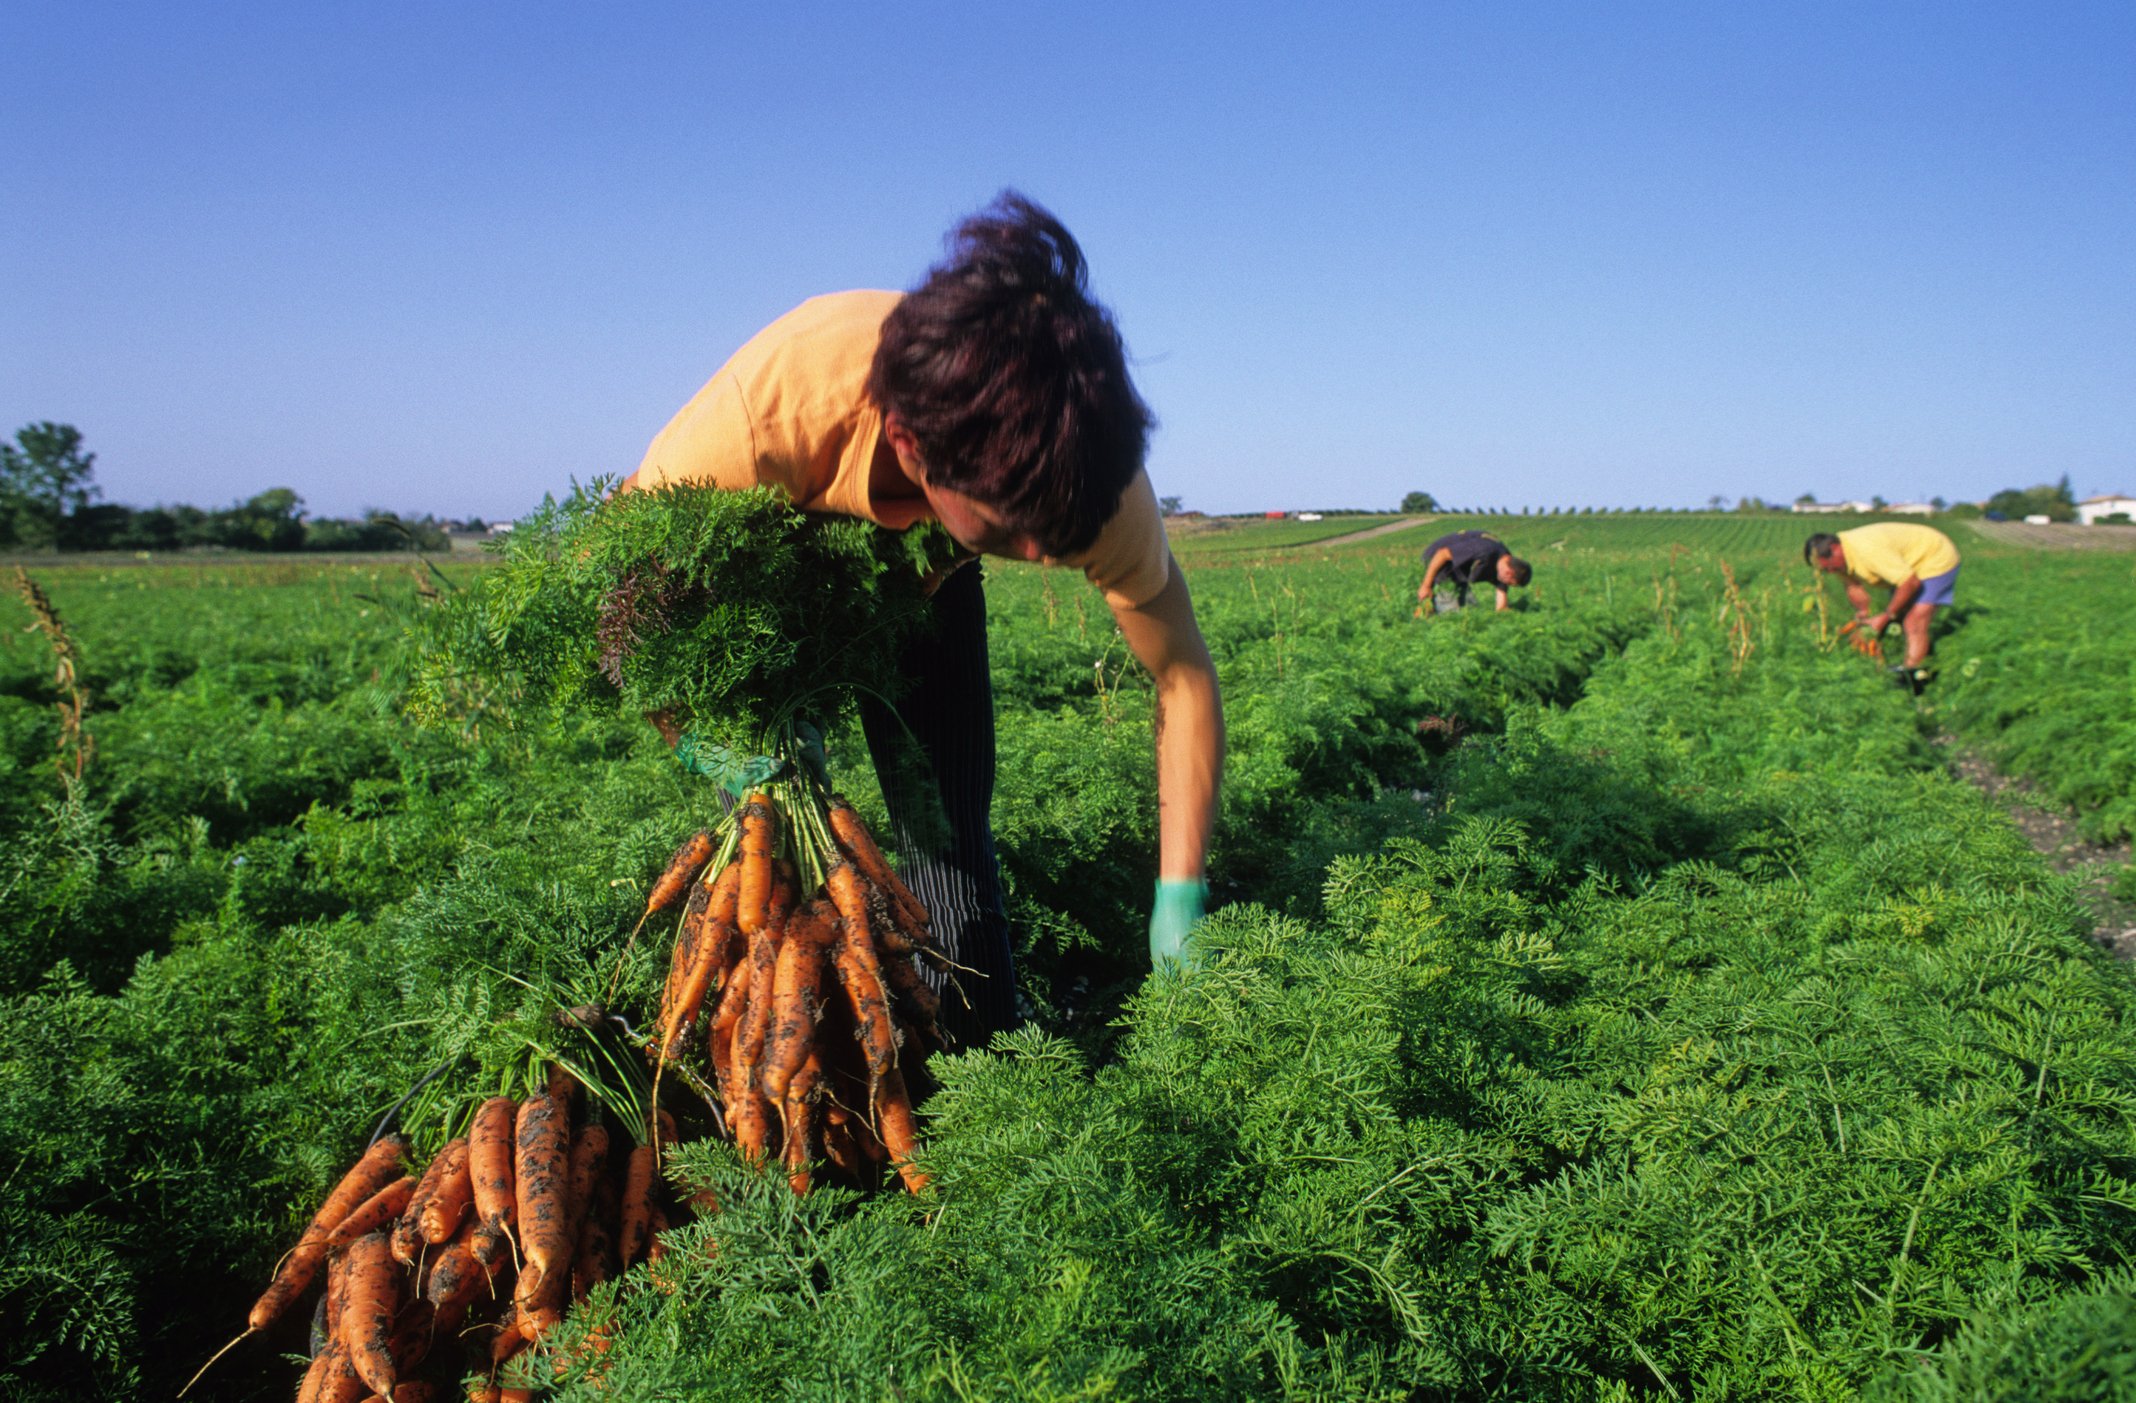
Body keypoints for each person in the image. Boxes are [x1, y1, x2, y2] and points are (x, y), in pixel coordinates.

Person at [618, 193, 1225, 1043]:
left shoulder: (1088, 477)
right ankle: (802, 1066)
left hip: (930, 588)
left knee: (946, 835)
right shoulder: (761, 425)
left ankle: (985, 1075)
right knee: (775, 867)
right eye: (1018, 527)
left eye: (1067, 535)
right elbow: (628, 614)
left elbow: (1183, 675)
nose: (1050, 556)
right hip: (754, 601)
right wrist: (716, 738)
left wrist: (1179, 892)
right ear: (910, 444)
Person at [1803, 523, 1961, 674]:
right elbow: (1853, 587)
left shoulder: (1868, 551)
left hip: (1934, 555)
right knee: (1899, 616)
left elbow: (1910, 582)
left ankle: (1912, 676)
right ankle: (1898, 656)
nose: (1830, 572)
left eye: (1829, 567)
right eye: (1825, 570)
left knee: (1914, 621)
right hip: (1905, 568)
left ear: (1834, 548)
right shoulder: (1838, 559)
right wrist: (1864, 614)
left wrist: (1885, 616)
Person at [1416, 529, 1531, 615]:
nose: (1507, 585)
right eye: (1510, 583)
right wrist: (1426, 586)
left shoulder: (1505, 559)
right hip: (1437, 560)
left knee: (1471, 608)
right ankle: (1425, 615)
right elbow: (1442, 554)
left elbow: (1501, 593)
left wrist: (1502, 610)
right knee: (1451, 612)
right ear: (1509, 573)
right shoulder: (1484, 550)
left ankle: (1426, 611)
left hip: (1458, 569)